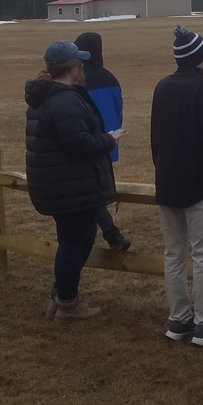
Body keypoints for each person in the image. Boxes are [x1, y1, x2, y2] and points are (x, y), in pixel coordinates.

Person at [151, 27, 203, 346]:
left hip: (167, 183)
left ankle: (179, 317)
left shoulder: (162, 87)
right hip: (198, 185)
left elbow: (156, 140)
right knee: (202, 256)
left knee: (173, 254)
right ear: (199, 59)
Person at [25, 39, 118, 320]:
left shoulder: (48, 96)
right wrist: (108, 139)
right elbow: (79, 143)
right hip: (70, 186)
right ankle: (67, 301)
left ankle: (62, 292)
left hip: (59, 183)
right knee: (74, 243)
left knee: (74, 239)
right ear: (75, 67)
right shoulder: (65, 99)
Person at [74, 31, 130, 252]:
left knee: (89, 193)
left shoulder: (79, 80)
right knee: (95, 189)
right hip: (110, 139)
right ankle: (110, 232)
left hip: (90, 142)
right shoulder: (110, 77)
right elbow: (119, 111)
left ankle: (111, 233)